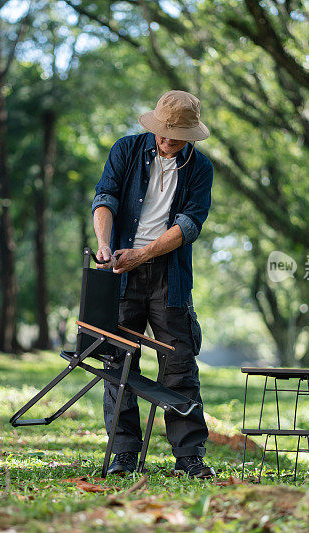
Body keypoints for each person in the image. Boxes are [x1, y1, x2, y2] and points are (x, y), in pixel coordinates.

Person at [91, 90, 215, 478]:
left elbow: (188, 227)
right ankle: (123, 454)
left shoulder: (201, 169)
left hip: (169, 277)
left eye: (176, 137)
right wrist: (105, 245)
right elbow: (105, 197)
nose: (166, 142)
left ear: (191, 136)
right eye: (162, 133)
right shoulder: (126, 150)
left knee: (179, 365)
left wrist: (142, 255)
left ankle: (190, 457)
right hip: (121, 271)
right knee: (118, 361)